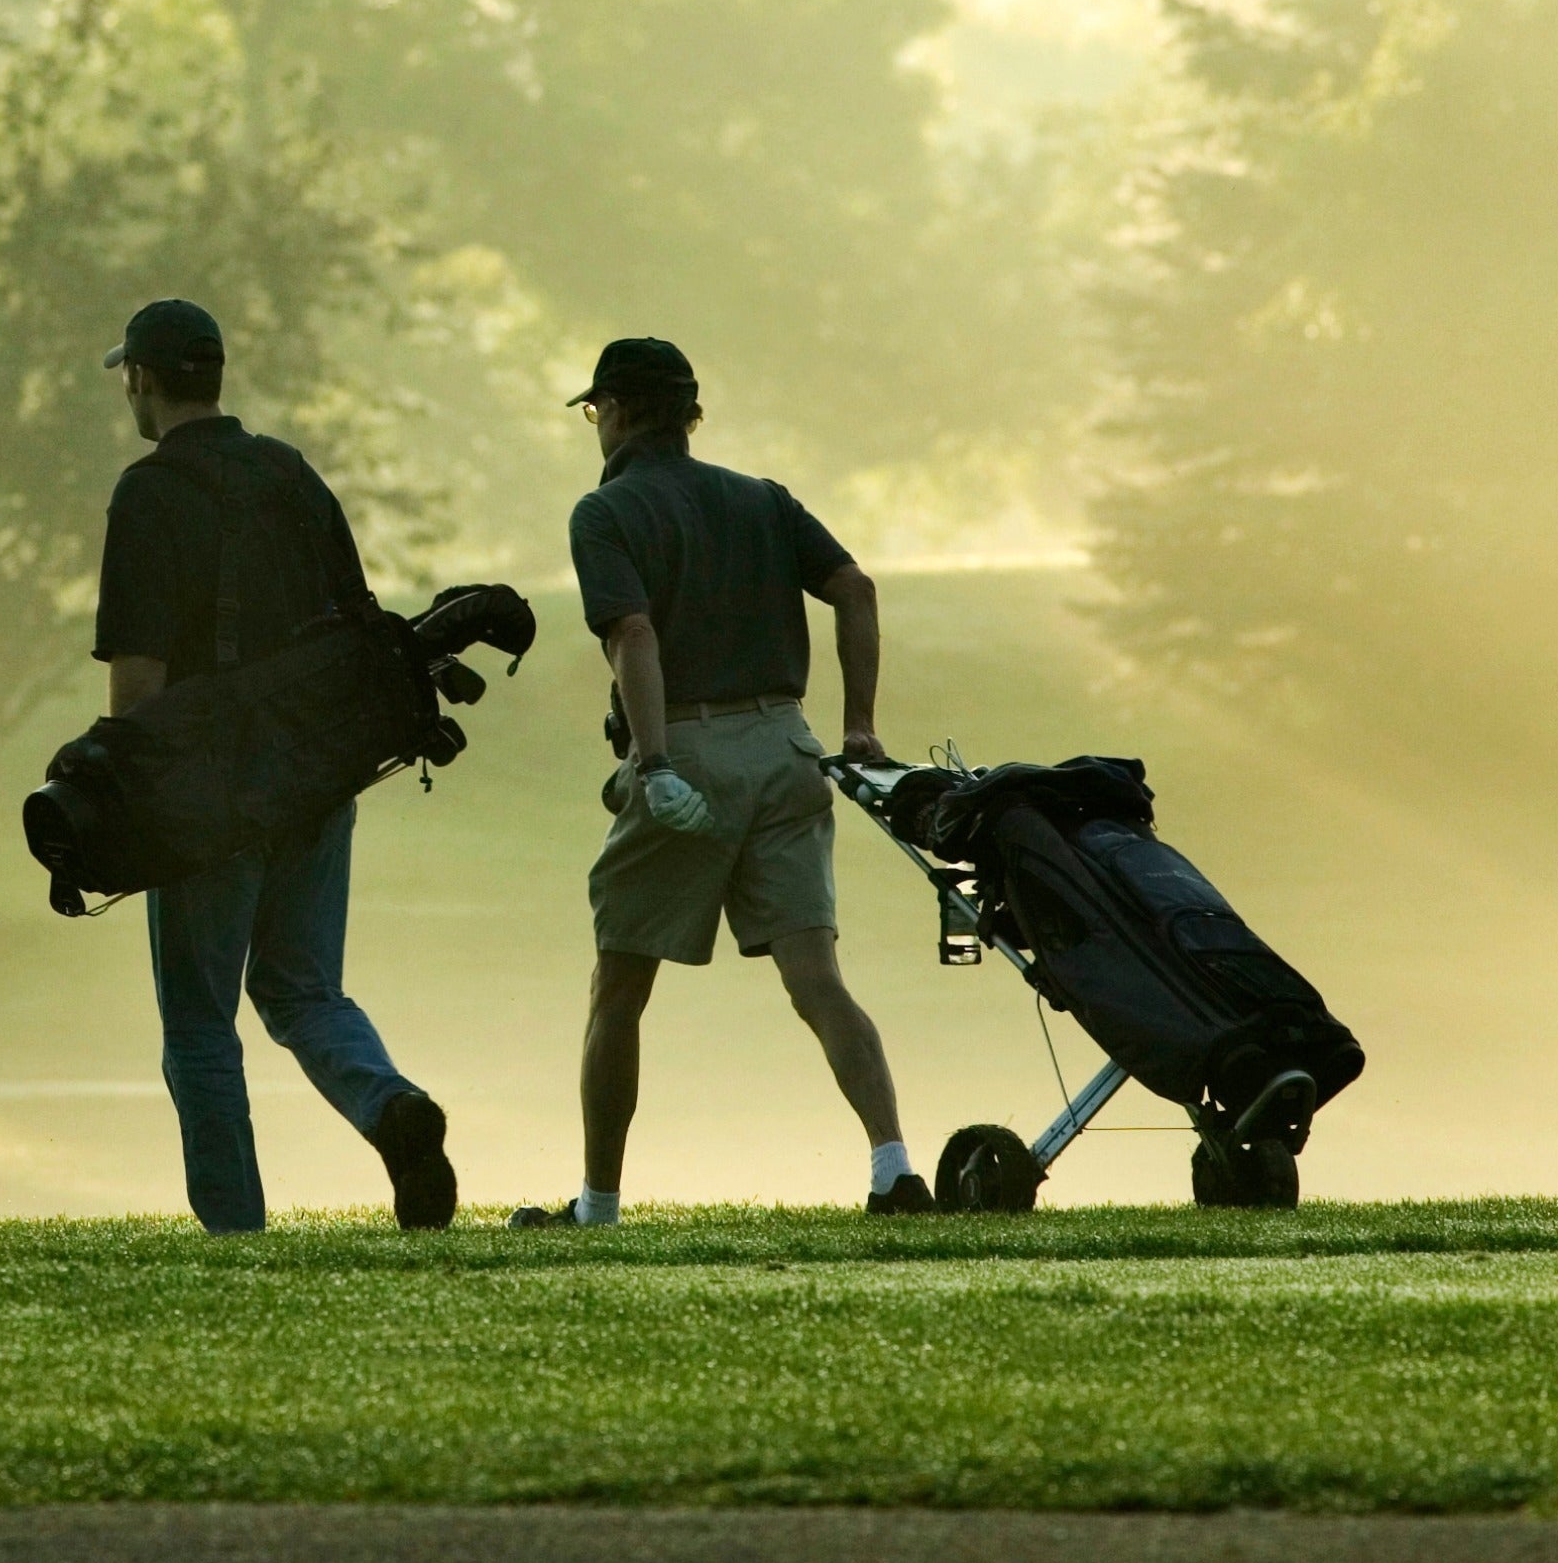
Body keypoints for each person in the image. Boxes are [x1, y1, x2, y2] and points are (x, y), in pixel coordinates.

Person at [512, 336, 929, 1224]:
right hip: (788, 749)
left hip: (688, 754)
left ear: (617, 411)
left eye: (595, 412)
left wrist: (656, 763)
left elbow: (633, 637)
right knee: (816, 978)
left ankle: (599, 1206)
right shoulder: (763, 501)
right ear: (689, 414)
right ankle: (894, 1169)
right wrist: (858, 727)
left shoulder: (607, 512)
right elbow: (854, 587)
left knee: (618, 988)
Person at [90, 297, 459, 1234]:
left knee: (201, 1027)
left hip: (209, 795)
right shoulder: (291, 474)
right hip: (319, 773)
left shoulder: (148, 493)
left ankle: (236, 1236)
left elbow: (137, 683)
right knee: (302, 989)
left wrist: (124, 798)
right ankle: (393, 1109)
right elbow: (356, 627)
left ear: (140, 377)